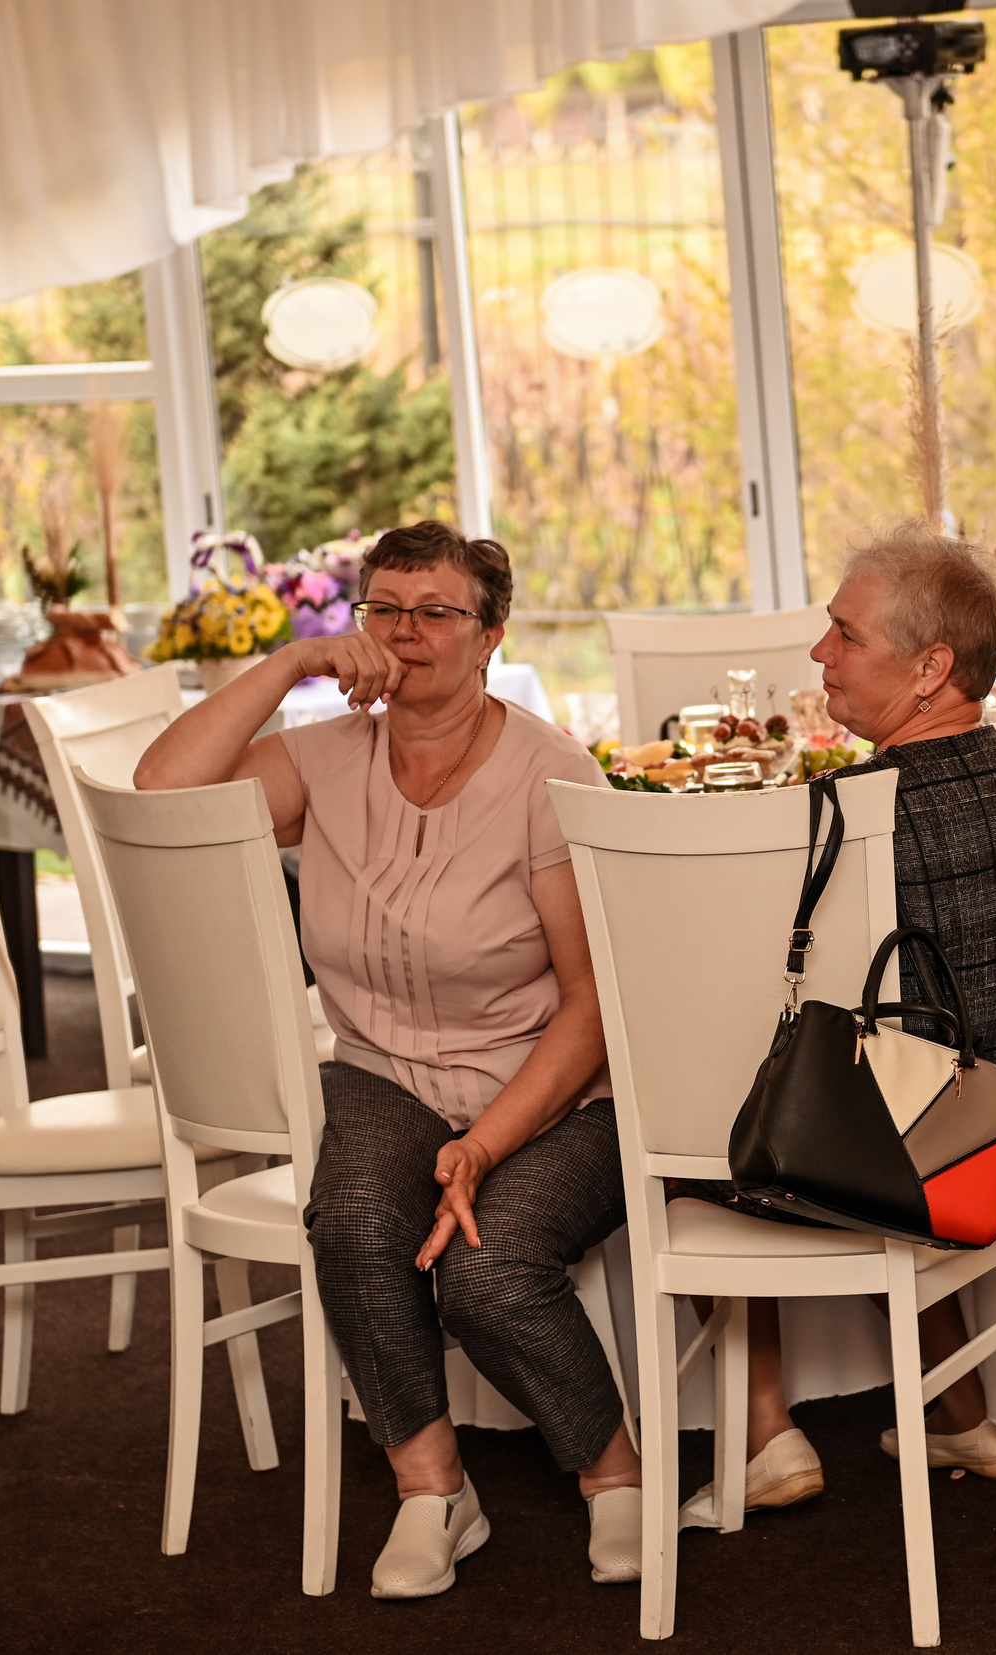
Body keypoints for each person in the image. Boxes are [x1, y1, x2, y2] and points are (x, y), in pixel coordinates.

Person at [134, 521, 641, 1598]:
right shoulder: (320, 758)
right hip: (381, 1070)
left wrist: (486, 1144)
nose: (405, 634)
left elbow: (594, 1003)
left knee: (489, 1266)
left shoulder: (552, 771)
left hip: (551, 1088)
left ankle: (613, 1471)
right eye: (384, 610)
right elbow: (161, 794)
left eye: (436, 612)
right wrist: (288, 664)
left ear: (489, 635)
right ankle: (433, 1488)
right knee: (355, 1220)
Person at [672, 523, 996, 1510]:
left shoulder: (858, 812)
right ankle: (958, 1413)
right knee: (884, 1067)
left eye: (843, 634)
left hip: (954, 1164)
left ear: (930, 669)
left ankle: (765, 1430)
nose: (820, 653)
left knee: (703, 1112)